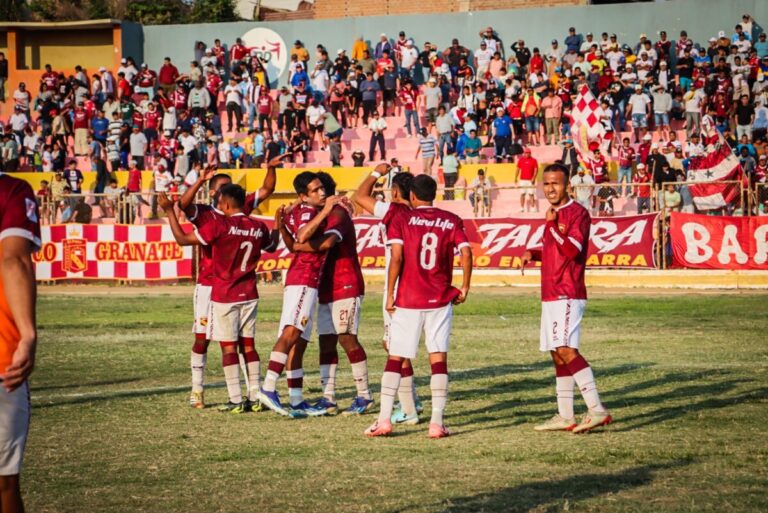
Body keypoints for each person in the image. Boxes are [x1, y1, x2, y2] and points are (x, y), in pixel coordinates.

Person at [365, 174, 472, 438]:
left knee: (396, 357)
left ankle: (384, 420)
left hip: (409, 298)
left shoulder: (401, 219)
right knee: (438, 358)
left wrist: (390, 293)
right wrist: (465, 286)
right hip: (439, 298)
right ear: (434, 194)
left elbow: (397, 258)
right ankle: (436, 423)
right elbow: (467, 252)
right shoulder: (451, 220)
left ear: (412, 196)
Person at [161, 184, 278, 413]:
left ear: (224, 203)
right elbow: (273, 245)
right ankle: (254, 397)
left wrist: (168, 212)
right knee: (248, 344)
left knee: (228, 348)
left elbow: (183, 240)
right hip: (250, 293)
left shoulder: (220, 224)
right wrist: (279, 225)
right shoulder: (258, 226)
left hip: (225, 293)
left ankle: (235, 400)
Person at [521, 163, 612, 434]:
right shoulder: (555, 214)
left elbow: (572, 250)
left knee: (566, 350)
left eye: (556, 183)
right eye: (546, 183)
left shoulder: (576, 213)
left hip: (567, 291)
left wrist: (550, 226)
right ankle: (565, 415)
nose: (550, 188)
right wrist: (534, 253)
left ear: (567, 186)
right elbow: (556, 249)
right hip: (551, 292)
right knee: (557, 353)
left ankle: (597, 410)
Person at [281, 173, 372, 416]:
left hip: (345, 283)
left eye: (322, 190)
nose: (319, 194)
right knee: (326, 341)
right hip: (325, 286)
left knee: (346, 338)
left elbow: (327, 243)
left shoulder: (339, 212)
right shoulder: (319, 214)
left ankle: (364, 395)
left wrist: (298, 246)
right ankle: (328, 398)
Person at [258, 173, 345, 417]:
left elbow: (292, 241)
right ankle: (268, 387)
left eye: (322, 189)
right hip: (304, 279)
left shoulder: (299, 210)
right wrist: (326, 210)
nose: (322, 193)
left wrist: (285, 223)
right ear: (304, 196)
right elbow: (303, 235)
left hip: (305, 280)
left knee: (300, 341)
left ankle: (296, 400)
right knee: (291, 332)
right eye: (315, 190)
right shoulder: (309, 211)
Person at [353, 166, 423, 423]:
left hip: (398, 286)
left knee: (394, 345)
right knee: (397, 344)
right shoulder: (419, 213)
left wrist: (375, 172)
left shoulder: (392, 210)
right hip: (419, 286)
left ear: (394, 192)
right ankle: (410, 402)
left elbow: (360, 196)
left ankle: (408, 407)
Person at [0, 173, 40, 513]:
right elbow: (14, 259)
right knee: (4, 483)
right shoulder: (10, 190)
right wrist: (28, 334)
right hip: (3, 356)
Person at [516, 148, 539, 213]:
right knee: (522, 194)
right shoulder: (521, 160)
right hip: (522, 180)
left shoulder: (534, 160)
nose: (526, 154)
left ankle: (533, 208)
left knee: (531, 194)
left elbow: (536, 170)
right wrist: (515, 177)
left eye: (527, 153)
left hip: (530, 180)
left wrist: (534, 178)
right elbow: (518, 169)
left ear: (530, 153)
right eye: (525, 153)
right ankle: (522, 208)